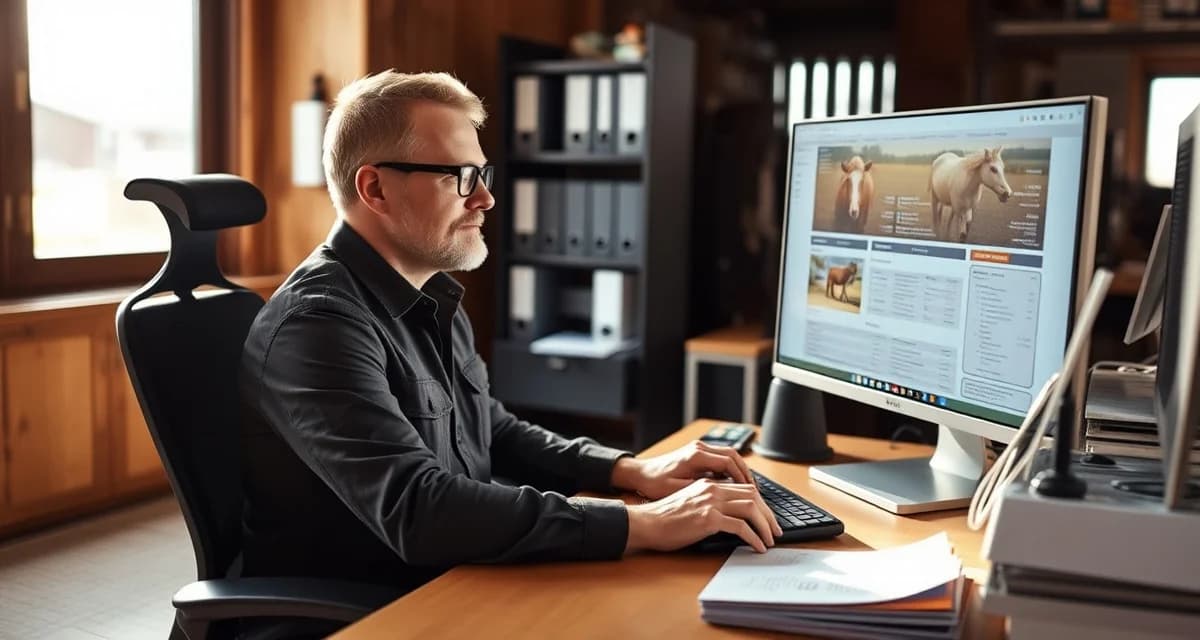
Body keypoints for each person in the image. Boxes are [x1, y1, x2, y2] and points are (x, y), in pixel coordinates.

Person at [239, 70, 780, 593]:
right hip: (375, 610)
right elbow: (419, 509)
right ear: (375, 187)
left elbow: (490, 431)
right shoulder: (317, 324)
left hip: (456, 579)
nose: (485, 200)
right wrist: (644, 524)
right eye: (461, 178)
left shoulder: (429, 292)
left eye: (482, 175)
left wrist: (632, 471)